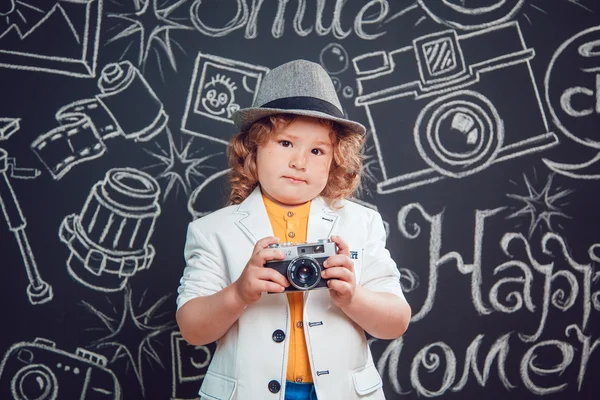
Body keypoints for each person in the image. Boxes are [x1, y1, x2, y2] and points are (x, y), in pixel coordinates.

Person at [176, 59, 411, 400]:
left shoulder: (361, 223)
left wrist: (353, 297)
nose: (300, 162)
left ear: (335, 163)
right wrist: (239, 292)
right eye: (286, 143)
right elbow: (192, 329)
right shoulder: (212, 231)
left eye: (317, 150)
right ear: (252, 151)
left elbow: (396, 321)